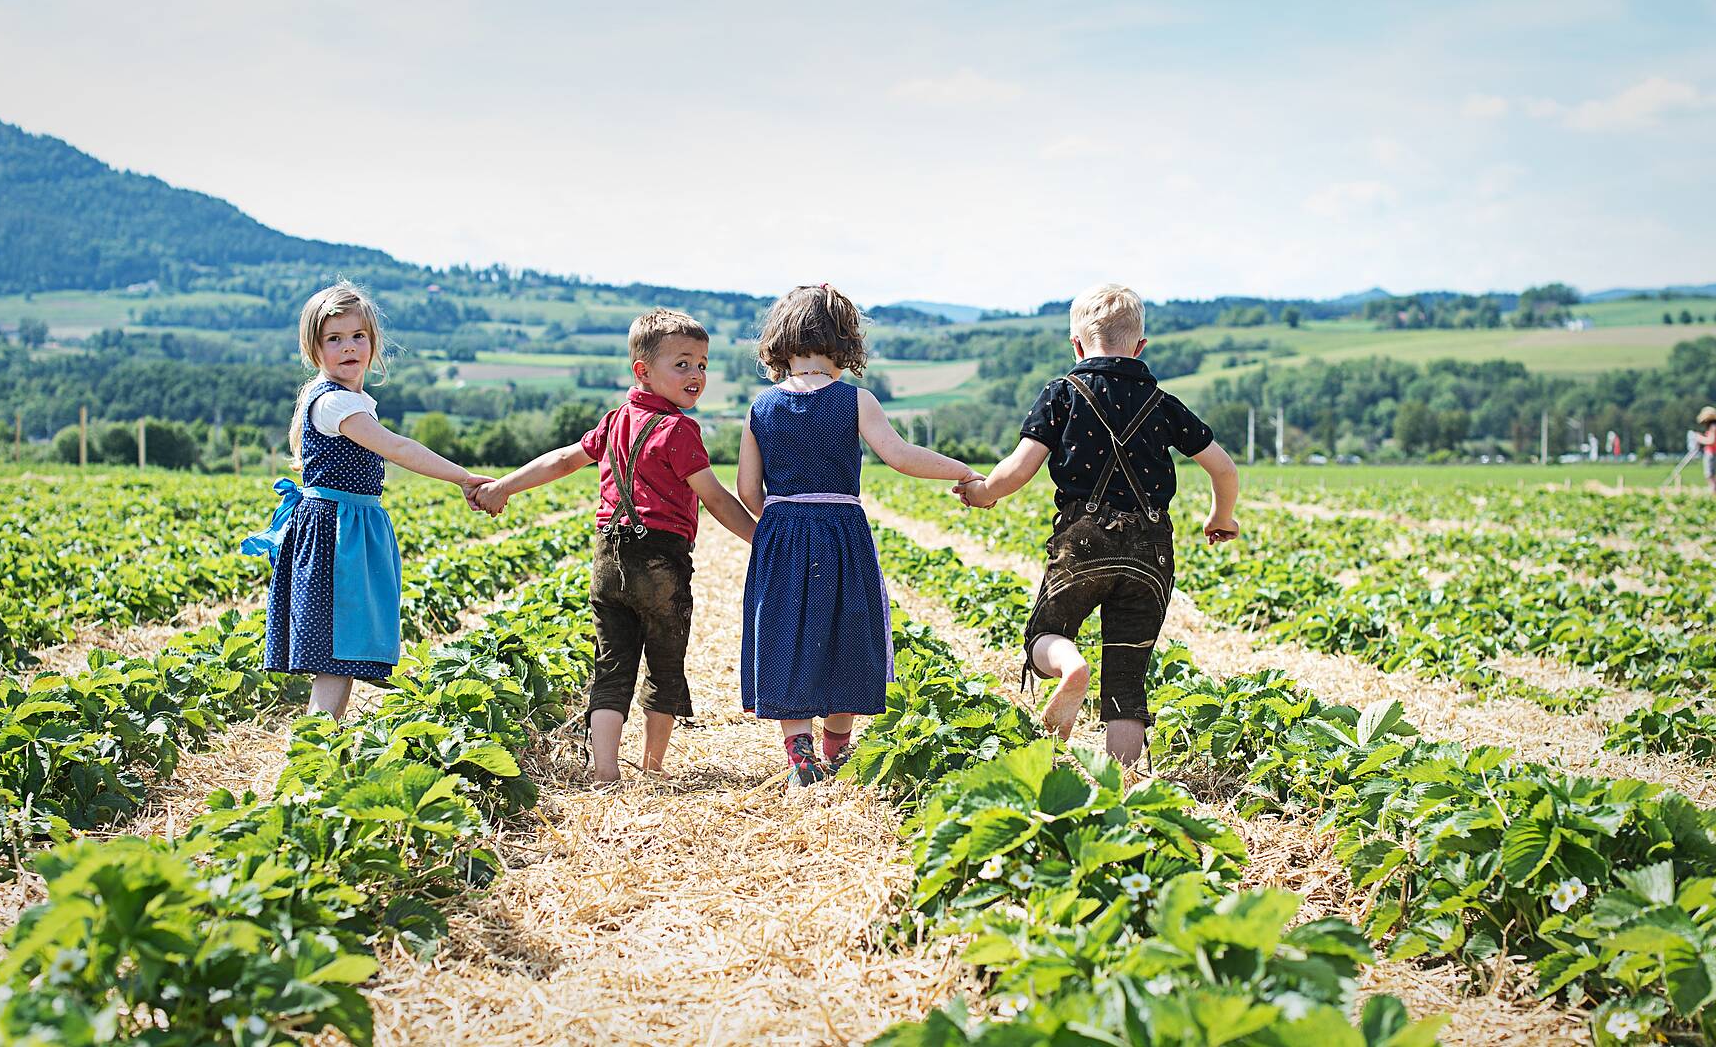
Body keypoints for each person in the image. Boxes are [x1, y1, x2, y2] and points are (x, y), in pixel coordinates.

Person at [954, 283, 1239, 765]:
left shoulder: (1063, 394)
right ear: (1140, 347)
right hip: (1151, 550)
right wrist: (1221, 516)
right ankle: (1121, 784)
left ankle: (1071, 665)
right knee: (1127, 676)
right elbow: (1224, 468)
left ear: (1077, 345)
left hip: (1083, 540)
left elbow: (1019, 469)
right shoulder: (1163, 404)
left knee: (1045, 634)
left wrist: (982, 493)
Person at [472, 309, 756, 784]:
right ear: (642, 370)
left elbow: (563, 461)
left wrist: (504, 486)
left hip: (608, 556)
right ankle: (652, 768)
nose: (697, 375)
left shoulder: (616, 420)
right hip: (661, 560)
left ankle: (605, 772)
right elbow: (715, 498)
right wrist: (761, 539)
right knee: (665, 665)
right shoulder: (679, 431)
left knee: (613, 665)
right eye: (682, 364)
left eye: (703, 365)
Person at [737, 283, 982, 789]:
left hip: (782, 531)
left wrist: (781, 524)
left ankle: (799, 752)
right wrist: (962, 470)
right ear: (844, 340)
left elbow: (746, 489)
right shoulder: (855, 401)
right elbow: (900, 455)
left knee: (788, 634)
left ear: (780, 341)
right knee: (848, 631)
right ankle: (838, 748)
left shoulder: (760, 407)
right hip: (841, 531)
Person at [244, 280, 495, 719]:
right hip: (335, 533)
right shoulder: (335, 405)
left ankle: (325, 746)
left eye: (358, 336)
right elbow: (398, 448)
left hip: (350, 528)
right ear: (314, 349)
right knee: (333, 655)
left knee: (341, 656)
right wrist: (462, 477)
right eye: (334, 339)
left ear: (373, 342)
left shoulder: (351, 400)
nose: (349, 348)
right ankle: (312, 755)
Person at [1696, 405, 1716, 494]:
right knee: (1712, 475)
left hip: (1711, 453)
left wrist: (1699, 438)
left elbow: (1711, 441)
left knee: (1709, 475)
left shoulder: (1713, 427)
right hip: (1715, 452)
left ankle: (1714, 492)